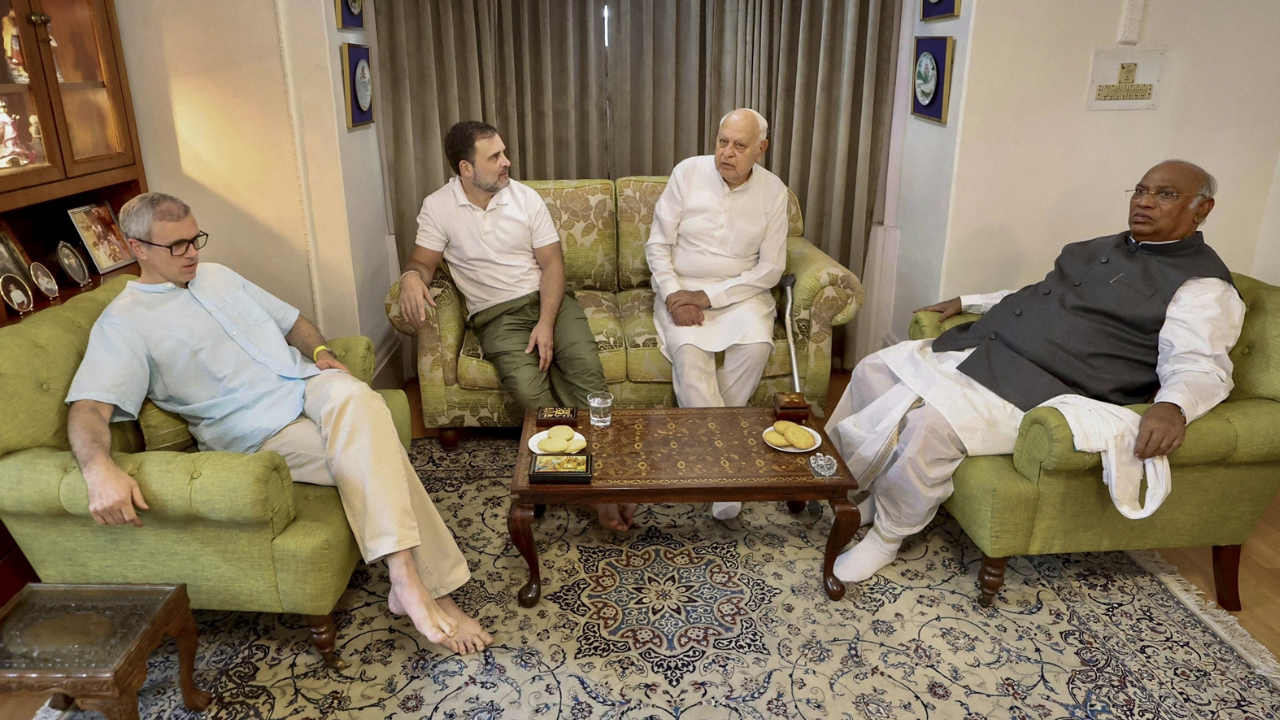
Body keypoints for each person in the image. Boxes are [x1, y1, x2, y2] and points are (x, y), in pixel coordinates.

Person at [65, 192, 494, 656]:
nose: (192, 253)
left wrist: (323, 355)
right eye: (177, 246)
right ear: (137, 248)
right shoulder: (124, 323)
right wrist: (97, 468)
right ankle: (423, 586)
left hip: (306, 384)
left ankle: (405, 579)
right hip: (260, 431)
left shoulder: (218, 276)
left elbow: (294, 322)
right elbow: (88, 408)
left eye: (195, 239)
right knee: (375, 456)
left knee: (354, 393)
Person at [826, 160, 1246, 583]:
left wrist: (1173, 405)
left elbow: (1200, 363)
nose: (1145, 202)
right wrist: (968, 301)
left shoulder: (1203, 288)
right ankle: (863, 488)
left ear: (1202, 208)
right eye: (1140, 190)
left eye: (1165, 194)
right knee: (875, 370)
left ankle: (887, 535)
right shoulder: (1103, 246)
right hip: (992, 350)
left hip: (1046, 387)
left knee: (931, 424)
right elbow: (1044, 293)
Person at [398, 121, 635, 531]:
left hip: (549, 301)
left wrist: (546, 322)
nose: (507, 162)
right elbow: (422, 262)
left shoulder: (525, 199)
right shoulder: (438, 207)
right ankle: (582, 485)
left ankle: (604, 488)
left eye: (504, 152)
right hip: (496, 316)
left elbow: (553, 265)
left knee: (589, 384)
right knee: (532, 395)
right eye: (495, 157)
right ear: (466, 168)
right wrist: (410, 277)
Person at [644, 108, 790, 521]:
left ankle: (710, 456)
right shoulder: (687, 173)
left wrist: (710, 296)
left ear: (761, 149)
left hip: (740, 295)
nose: (726, 153)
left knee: (757, 347)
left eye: (739, 146)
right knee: (691, 359)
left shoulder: (775, 192)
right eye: (722, 141)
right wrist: (674, 295)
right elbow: (657, 246)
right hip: (681, 289)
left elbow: (771, 269)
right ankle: (729, 468)